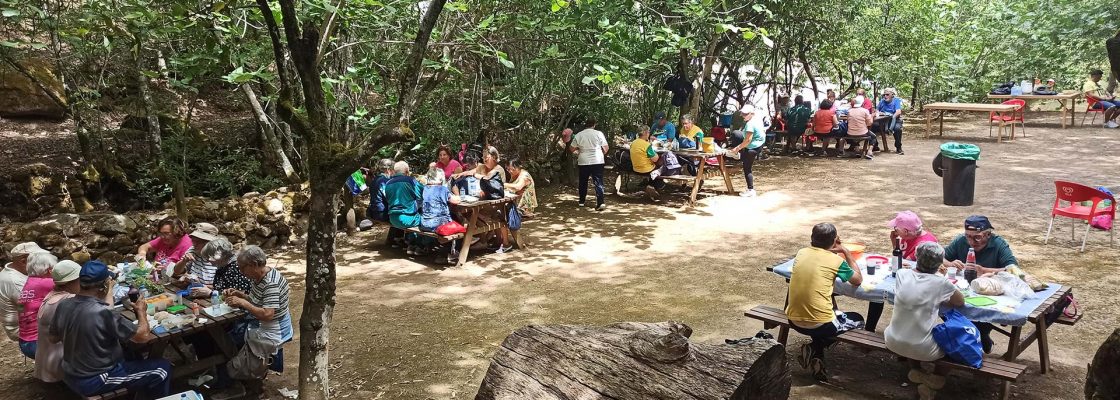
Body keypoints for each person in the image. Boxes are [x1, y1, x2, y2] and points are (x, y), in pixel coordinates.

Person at [49, 261, 169, 398]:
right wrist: (141, 311)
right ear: (105, 286)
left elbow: (53, 338)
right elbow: (143, 337)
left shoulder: (64, 304)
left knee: (131, 353)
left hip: (71, 371)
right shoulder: (102, 312)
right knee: (161, 369)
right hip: (94, 379)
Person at [885, 242, 965, 400]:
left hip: (893, 340)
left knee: (911, 327)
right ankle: (934, 380)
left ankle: (916, 371)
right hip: (923, 348)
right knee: (956, 345)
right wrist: (941, 278)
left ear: (917, 257)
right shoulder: (941, 283)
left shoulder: (902, 274)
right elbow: (959, 302)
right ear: (940, 263)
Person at [786, 223, 863, 382]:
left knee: (825, 312)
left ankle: (817, 357)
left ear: (812, 238)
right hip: (822, 324)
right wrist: (846, 252)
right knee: (858, 318)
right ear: (835, 240)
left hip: (793, 319)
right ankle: (813, 348)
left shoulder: (801, 253)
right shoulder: (835, 260)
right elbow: (857, 280)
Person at [943, 215, 1019, 353]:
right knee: (946, 305)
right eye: (968, 236)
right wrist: (950, 263)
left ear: (988, 234)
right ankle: (970, 338)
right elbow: (940, 257)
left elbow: (1013, 269)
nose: (972, 241)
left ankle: (981, 334)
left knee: (978, 315)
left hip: (990, 291)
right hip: (964, 288)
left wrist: (985, 270)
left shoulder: (998, 244)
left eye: (977, 237)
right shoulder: (961, 241)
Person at [221, 246, 293, 392]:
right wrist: (241, 295)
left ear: (254, 265)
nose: (241, 272)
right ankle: (245, 378)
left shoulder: (270, 283)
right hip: (261, 323)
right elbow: (258, 301)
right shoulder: (259, 276)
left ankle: (241, 381)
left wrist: (243, 303)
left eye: (242, 268)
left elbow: (268, 314)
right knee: (229, 337)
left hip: (273, 329)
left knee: (228, 342)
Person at [33, 260, 80, 383]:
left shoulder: (51, 295)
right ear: (70, 282)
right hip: (58, 363)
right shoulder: (68, 300)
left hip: (45, 360)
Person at [16, 251, 56, 358]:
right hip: (37, 342)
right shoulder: (46, 283)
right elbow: (76, 283)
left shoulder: (29, 282)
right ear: (48, 269)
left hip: (24, 341)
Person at [2, 242, 42, 348]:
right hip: (24, 331)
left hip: (24, 320)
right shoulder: (16, 282)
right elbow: (38, 307)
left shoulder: (12, 271)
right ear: (23, 261)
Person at [420, 167, 461, 263]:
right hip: (437, 223)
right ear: (441, 178)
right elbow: (455, 200)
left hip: (424, 223)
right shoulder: (442, 189)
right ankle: (451, 253)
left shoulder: (425, 188)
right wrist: (458, 195)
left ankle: (436, 249)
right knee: (457, 223)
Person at [384, 161, 425, 253]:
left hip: (393, 219)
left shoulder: (388, 183)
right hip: (408, 219)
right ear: (407, 171)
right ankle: (419, 246)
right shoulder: (410, 180)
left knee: (414, 213)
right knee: (427, 219)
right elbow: (424, 192)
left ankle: (410, 244)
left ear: (394, 171)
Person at [569, 119, 609, 210]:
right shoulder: (599, 134)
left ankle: (582, 201)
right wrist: (600, 154)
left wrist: (579, 151)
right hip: (598, 160)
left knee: (583, 181)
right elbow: (606, 148)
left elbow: (571, 149)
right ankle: (600, 202)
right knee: (598, 181)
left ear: (585, 125)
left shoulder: (579, 135)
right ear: (594, 125)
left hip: (584, 161)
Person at [726, 105, 765, 197]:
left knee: (747, 168)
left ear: (752, 113)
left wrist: (737, 148)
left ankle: (750, 190)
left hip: (753, 147)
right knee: (736, 134)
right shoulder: (756, 119)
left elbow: (748, 140)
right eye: (742, 113)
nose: (743, 115)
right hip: (759, 143)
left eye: (745, 114)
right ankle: (739, 155)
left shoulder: (750, 124)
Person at [629, 125, 665, 201]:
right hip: (646, 169)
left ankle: (651, 186)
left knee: (654, 166)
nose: (649, 133)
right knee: (661, 166)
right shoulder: (646, 145)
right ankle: (653, 186)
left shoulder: (633, 142)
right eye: (648, 132)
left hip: (635, 168)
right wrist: (657, 154)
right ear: (645, 133)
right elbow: (655, 159)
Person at [874, 88, 905, 154]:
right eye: (884, 95)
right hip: (883, 121)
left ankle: (898, 147)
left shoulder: (896, 100)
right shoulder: (882, 101)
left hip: (895, 120)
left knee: (897, 129)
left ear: (892, 95)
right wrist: (879, 113)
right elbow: (876, 110)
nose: (885, 96)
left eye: (887, 94)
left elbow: (898, 112)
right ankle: (874, 145)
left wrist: (892, 117)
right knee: (872, 126)